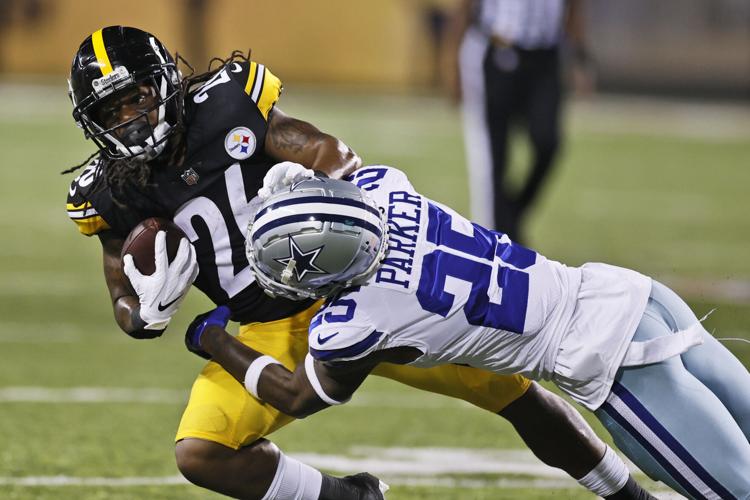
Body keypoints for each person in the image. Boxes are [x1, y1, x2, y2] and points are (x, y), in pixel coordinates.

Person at [64, 26, 654, 500]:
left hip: (365, 288)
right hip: (268, 326)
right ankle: (343, 497)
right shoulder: (110, 193)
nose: (132, 120)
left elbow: (327, 150)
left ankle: (625, 493)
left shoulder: (225, 108)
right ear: (92, 124)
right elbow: (122, 293)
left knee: (514, 392)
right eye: (112, 112)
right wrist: (145, 310)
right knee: (201, 452)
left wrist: (315, 187)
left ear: (164, 80)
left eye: (136, 98)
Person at [190, 165, 750, 499]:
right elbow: (337, 175)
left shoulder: (355, 322)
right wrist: (299, 183)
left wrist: (213, 340)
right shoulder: (383, 186)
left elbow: (293, 394)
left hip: (611, 362)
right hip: (631, 295)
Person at [442, 0, 594, 242]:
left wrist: (581, 57)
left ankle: (511, 218)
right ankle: (501, 236)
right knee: (494, 157)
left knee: (547, 142)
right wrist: (452, 64)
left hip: (545, 57)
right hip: (496, 50)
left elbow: (573, 7)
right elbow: (465, 7)